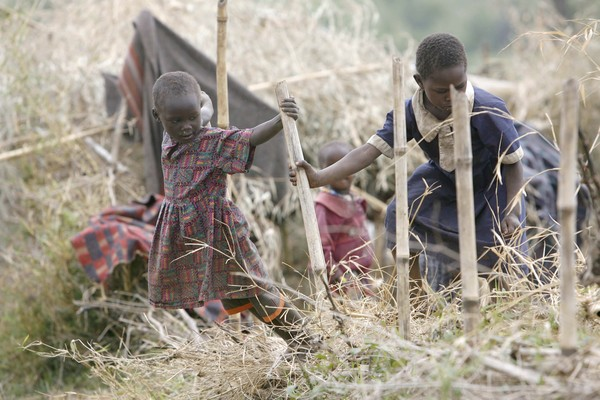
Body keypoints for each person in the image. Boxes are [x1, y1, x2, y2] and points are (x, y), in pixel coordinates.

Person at [290, 33, 528, 292]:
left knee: (501, 257)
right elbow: (368, 152)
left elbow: (513, 163)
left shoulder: (487, 109)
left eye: (459, 86)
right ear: (419, 82)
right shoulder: (409, 113)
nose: (451, 96)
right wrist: (319, 178)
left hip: (493, 188)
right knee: (400, 211)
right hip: (445, 182)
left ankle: (503, 305)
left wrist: (512, 211)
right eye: (440, 91)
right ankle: (415, 291)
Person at [148, 71, 318, 356]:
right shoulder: (171, 136)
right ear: (158, 116)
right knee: (234, 292)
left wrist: (280, 120)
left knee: (256, 288)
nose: (187, 127)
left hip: (220, 233)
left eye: (192, 118)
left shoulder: (210, 141)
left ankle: (305, 341)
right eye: (176, 121)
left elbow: (250, 138)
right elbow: (201, 112)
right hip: (192, 235)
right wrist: (205, 102)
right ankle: (260, 346)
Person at [315, 141, 375, 297]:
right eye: (334, 168)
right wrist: (335, 273)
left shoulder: (356, 202)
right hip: (340, 281)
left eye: (346, 167)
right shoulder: (323, 206)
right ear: (322, 171)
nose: (341, 173)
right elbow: (321, 246)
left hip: (362, 277)